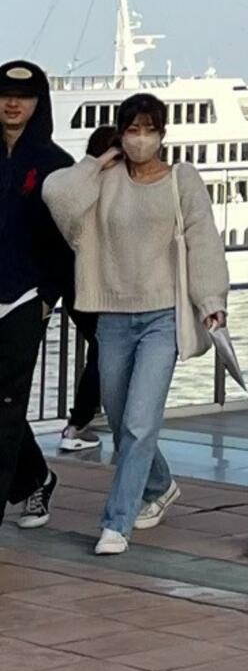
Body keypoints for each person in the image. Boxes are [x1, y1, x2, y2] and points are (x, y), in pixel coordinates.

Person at [46, 94, 229, 558]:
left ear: (163, 133)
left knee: (141, 420)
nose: (140, 138)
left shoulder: (181, 180)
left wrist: (210, 301)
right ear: (121, 132)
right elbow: (57, 195)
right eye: (132, 129)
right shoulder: (104, 180)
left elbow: (203, 238)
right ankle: (162, 484)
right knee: (123, 415)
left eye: (149, 129)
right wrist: (98, 160)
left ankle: (116, 523)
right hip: (112, 315)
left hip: (162, 315)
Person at [0, 62, 67, 529]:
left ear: (38, 103)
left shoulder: (54, 164)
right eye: (4, 94)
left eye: (22, 96)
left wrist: (48, 297)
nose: (12, 103)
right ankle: (36, 478)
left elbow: (69, 239)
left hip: (24, 300)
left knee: (6, 407)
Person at [52, 126, 119, 455]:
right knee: (106, 351)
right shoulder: (97, 188)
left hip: (72, 286)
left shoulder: (81, 187)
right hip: (94, 286)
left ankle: (80, 422)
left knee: (102, 350)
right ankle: (79, 422)